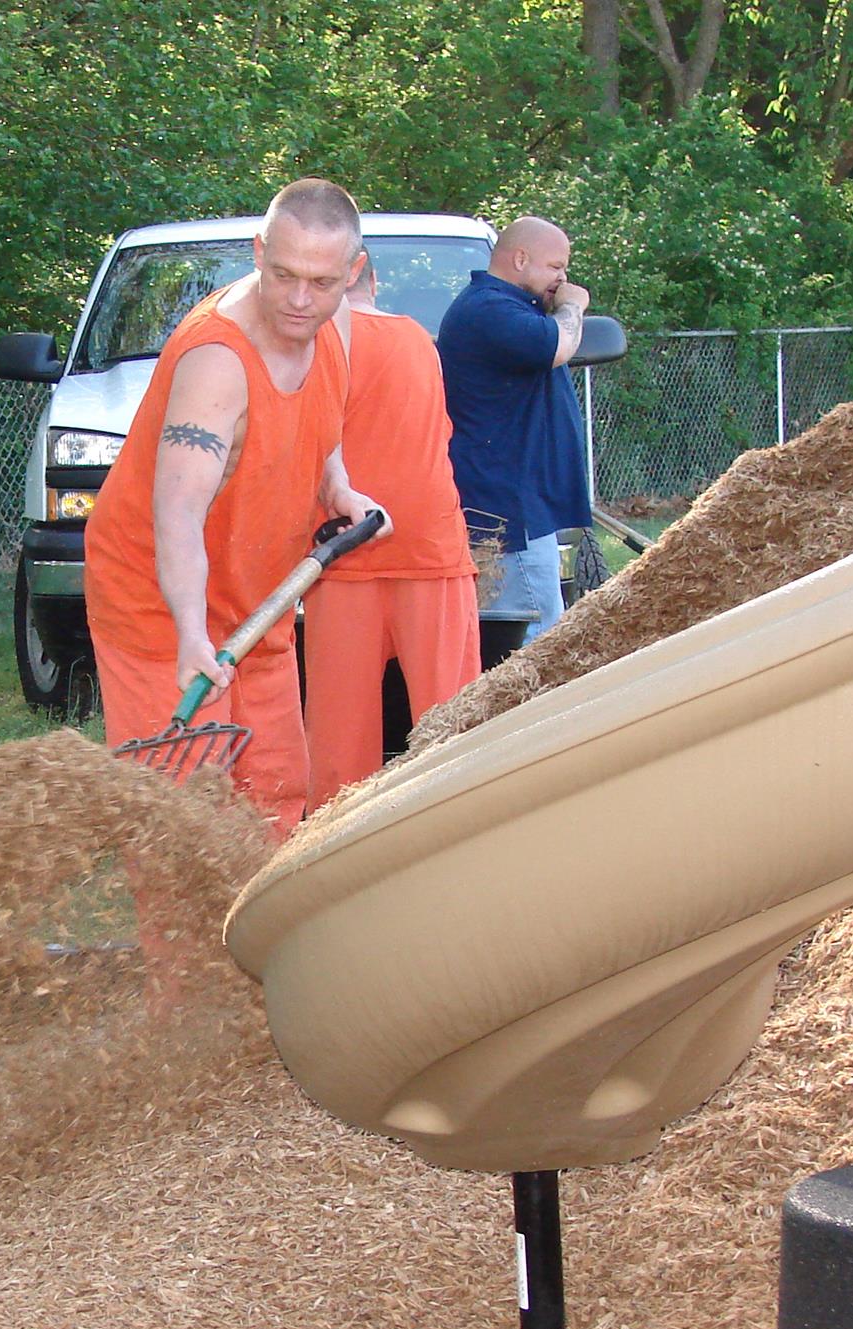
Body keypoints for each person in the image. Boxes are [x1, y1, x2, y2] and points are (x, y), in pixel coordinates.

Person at [83, 178, 385, 836]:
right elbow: (178, 512)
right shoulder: (218, 362)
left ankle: (254, 938)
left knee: (275, 788)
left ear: (352, 273)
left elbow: (320, 427)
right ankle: (183, 943)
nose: (300, 300)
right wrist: (190, 632)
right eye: (283, 275)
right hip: (160, 606)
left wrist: (335, 486)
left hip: (257, 598)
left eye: (321, 281)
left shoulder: (336, 325)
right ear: (257, 251)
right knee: (180, 818)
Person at [302, 259, 480, 810]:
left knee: (338, 734)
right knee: (454, 719)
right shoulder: (418, 342)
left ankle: (331, 844)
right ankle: (462, 821)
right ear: (373, 282)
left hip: (341, 548)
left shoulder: (306, 347)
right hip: (429, 546)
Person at [436, 215, 592, 645]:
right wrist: (574, 305)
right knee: (535, 639)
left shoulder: (506, 309)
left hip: (517, 511)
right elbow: (559, 344)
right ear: (520, 258)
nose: (562, 280)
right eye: (555, 267)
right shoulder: (489, 309)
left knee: (524, 633)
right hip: (507, 518)